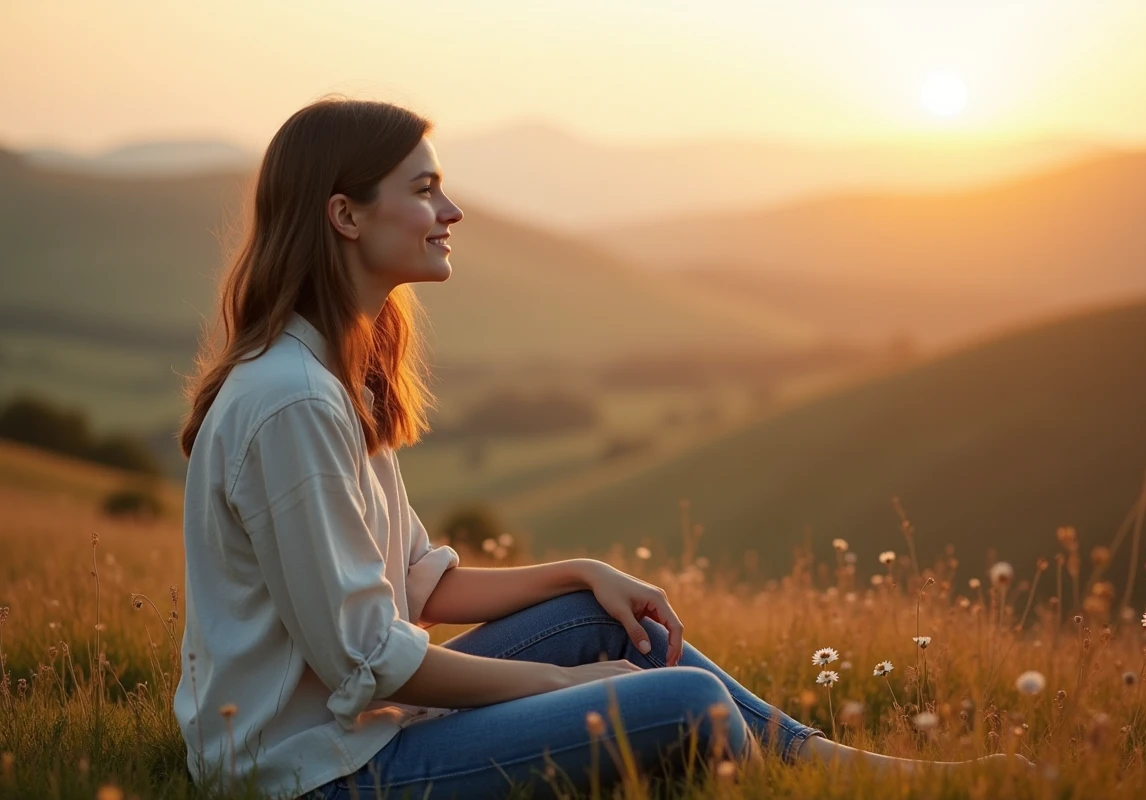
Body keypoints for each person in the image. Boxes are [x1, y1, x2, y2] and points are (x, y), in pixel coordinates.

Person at [175, 97, 1024, 800]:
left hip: (354, 733)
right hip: (312, 773)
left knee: (605, 620)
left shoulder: (336, 374)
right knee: (684, 702)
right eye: (425, 189)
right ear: (345, 215)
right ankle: (858, 781)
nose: (451, 211)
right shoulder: (293, 403)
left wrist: (579, 573)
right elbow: (369, 657)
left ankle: (854, 775)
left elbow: (418, 587)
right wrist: (561, 687)